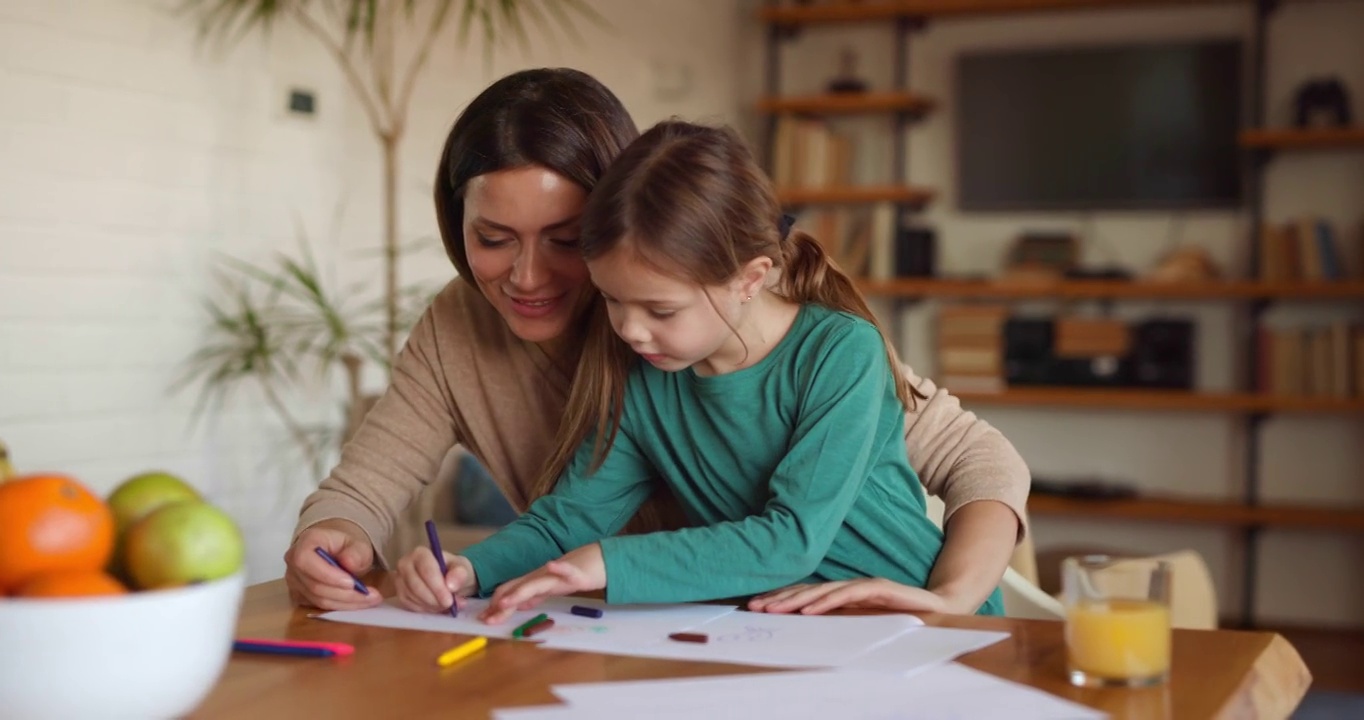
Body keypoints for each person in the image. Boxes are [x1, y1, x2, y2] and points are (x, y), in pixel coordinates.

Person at [283, 68, 1029, 616]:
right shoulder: (641, 361)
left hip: (893, 623)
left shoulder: (826, 346)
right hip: (740, 634)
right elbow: (567, 513)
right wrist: (462, 570)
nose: (529, 274)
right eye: (494, 237)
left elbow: (805, 531)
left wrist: (956, 595)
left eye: (567, 240)